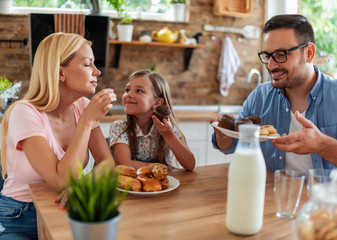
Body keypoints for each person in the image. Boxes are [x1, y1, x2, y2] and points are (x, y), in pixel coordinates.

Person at [0, 32, 116, 239]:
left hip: (69, 208)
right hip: (23, 218)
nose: (97, 72)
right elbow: (61, 181)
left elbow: (107, 163)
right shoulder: (24, 112)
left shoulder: (83, 107)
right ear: (60, 72)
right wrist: (87, 121)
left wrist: (80, 187)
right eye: (88, 64)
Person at [211, 14, 337, 173]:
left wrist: (323, 145)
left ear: (309, 53)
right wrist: (223, 136)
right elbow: (231, 145)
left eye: (281, 54)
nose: (271, 65)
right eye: (267, 56)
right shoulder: (260, 97)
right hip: (271, 195)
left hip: (326, 197)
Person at [109, 69, 195, 171]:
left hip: (161, 186)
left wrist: (168, 135)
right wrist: (164, 168)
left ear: (158, 102)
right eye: (127, 90)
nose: (129, 95)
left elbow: (190, 165)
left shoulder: (167, 127)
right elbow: (125, 164)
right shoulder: (120, 127)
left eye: (139, 90)